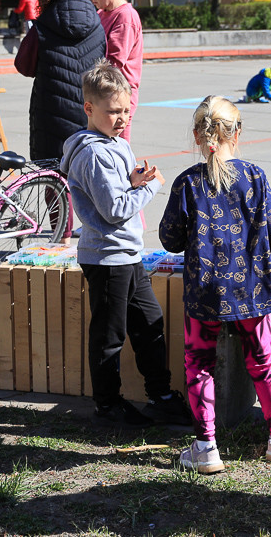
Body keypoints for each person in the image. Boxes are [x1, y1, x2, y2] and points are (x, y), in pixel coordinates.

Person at [159, 95, 271, 474]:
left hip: (204, 293)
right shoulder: (255, 176)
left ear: (197, 135)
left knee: (198, 364)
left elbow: (169, 238)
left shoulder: (187, 183)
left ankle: (206, 447)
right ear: (237, 132)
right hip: (250, 291)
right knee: (263, 360)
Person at [59, 59, 190, 428]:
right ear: (89, 108)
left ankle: (161, 397)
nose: (121, 118)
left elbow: (115, 194)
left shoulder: (114, 144)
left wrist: (132, 182)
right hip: (107, 257)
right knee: (109, 336)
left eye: (126, 110)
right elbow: (114, 210)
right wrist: (151, 187)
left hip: (127, 253)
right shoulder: (94, 153)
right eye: (112, 111)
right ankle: (108, 405)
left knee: (149, 323)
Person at [15, 0, 106, 161]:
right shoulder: (98, 25)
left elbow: (23, 65)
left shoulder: (43, 25)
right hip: (90, 111)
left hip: (51, 113)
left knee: (53, 172)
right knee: (86, 169)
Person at [87, 0, 143, 142]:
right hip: (102, 94)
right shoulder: (102, 13)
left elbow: (114, 63)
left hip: (118, 98)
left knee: (117, 150)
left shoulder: (125, 16)